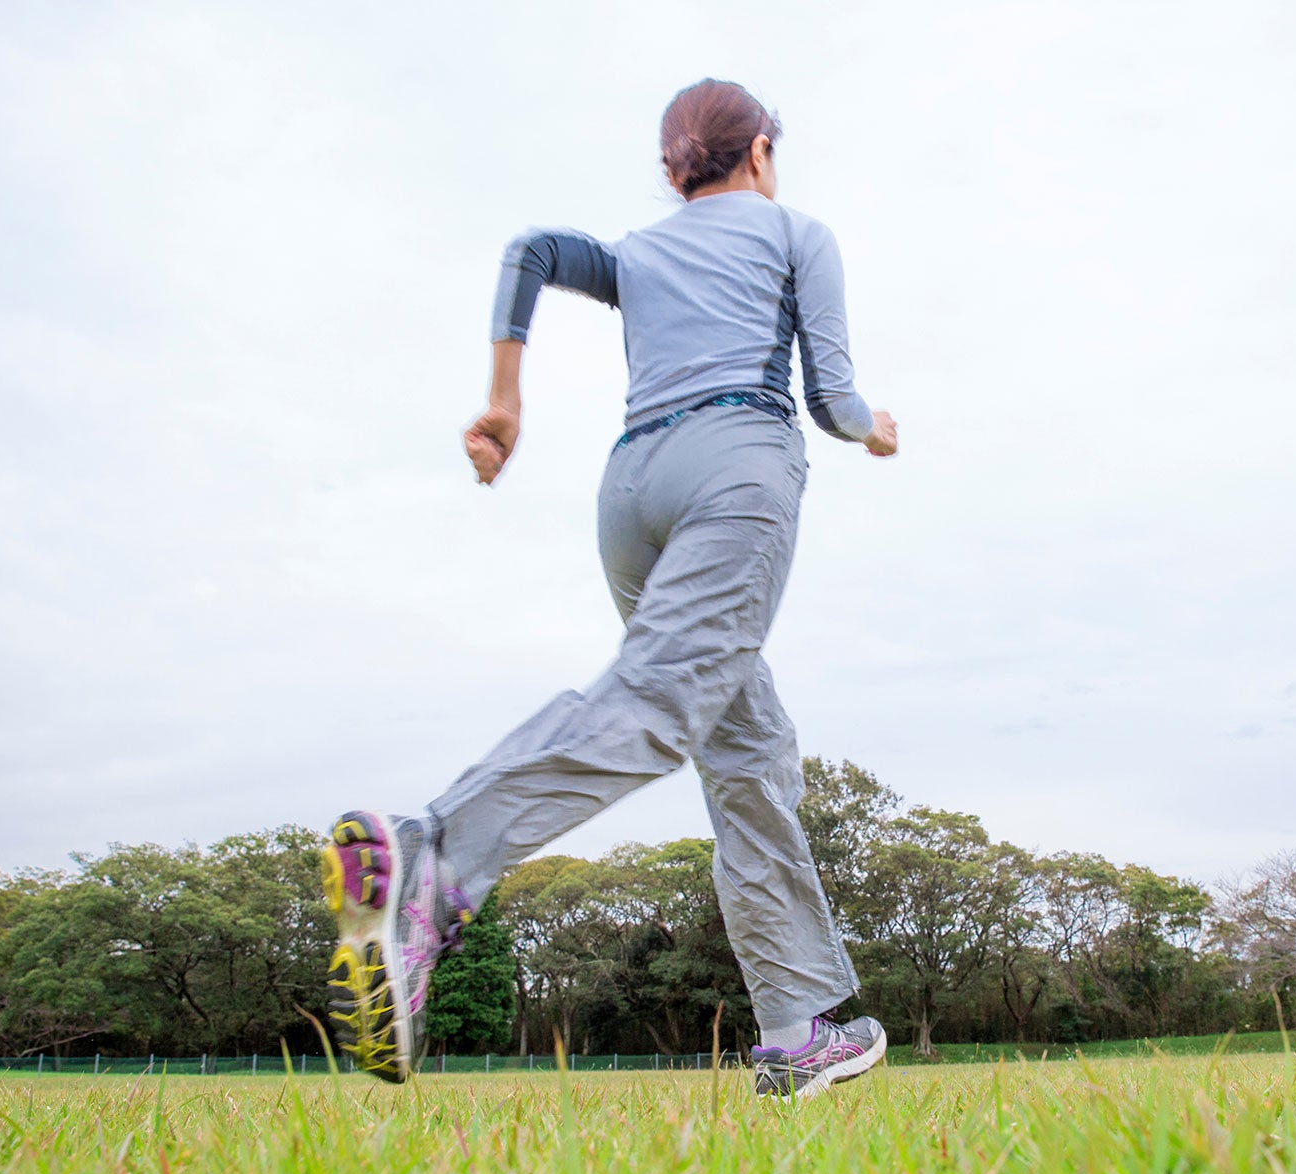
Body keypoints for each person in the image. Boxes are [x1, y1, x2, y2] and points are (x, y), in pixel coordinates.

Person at [320, 79, 898, 1102]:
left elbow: (534, 251)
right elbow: (829, 397)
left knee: (747, 748)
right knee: (655, 709)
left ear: (675, 168)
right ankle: (433, 860)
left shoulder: (641, 251)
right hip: (733, 465)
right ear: (757, 152)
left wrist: (504, 399)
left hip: (631, 493)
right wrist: (875, 428)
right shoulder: (795, 232)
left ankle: (798, 1022)